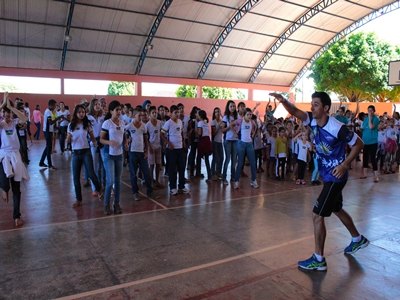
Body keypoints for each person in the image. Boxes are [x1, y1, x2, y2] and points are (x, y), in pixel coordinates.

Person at [270, 92, 369, 271]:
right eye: (311, 103)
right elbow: (294, 111)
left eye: (316, 104)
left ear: (325, 108)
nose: (311, 107)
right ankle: (357, 238)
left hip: (336, 177)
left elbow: (359, 144)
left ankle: (319, 259)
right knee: (337, 209)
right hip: (327, 175)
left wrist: (345, 165)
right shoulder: (311, 120)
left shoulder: (337, 127)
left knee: (317, 215)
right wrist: (283, 101)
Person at [0, 93, 29, 227]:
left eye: (9, 112)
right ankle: (4, 188)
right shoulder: (1, 125)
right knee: (5, 182)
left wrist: (11, 107)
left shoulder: (15, 122)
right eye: (4, 112)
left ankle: (16, 216)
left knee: (16, 188)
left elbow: (24, 118)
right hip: (4, 155)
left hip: (16, 156)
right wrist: (3, 105)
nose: (7, 115)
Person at [66, 105, 103, 208]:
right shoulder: (70, 125)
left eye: (83, 112)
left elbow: (92, 138)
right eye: (79, 112)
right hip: (75, 153)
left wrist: (96, 144)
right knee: (76, 177)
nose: (81, 114)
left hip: (86, 152)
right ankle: (79, 199)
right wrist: (68, 139)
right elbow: (68, 139)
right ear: (76, 113)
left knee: (91, 173)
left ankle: (99, 189)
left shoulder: (87, 124)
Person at [100, 100, 124, 215]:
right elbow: (101, 139)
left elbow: (122, 137)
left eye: (120, 109)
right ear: (111, 111)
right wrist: (109, 142)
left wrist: (126, 143)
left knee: (118, 181)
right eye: (117, 110)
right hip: (108, 154)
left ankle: (117, 204)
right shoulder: (107, 123)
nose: (119, 112)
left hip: (119, 155)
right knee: (110, 181)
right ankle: (106, 205)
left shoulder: (122, 122)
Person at [39, 99, 64, 169]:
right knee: (49, 148)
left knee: (48, 147)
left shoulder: (51, 112)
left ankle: (41, 162)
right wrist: (58, 117)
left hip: (49, 131)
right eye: (55, 106)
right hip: (47, 131)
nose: (55, 107)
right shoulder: (48, 112)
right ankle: (49, 164)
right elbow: (50, 122)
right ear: (51, 105)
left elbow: (53, 122)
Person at [360, 105, 380, 182]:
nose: (370, 112)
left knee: (372, 159)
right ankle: (365, 174)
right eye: (368, 110)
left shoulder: (376, 119)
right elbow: (363, 128)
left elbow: (371, 127)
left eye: (371, 110)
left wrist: (370, 118)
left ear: (374, 111)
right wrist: (361, 129)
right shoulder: (365, 119)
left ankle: (376, 176)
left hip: (373, 142)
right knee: (365, 158)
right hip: (365, 141)